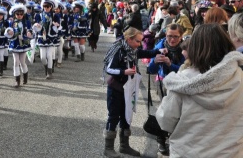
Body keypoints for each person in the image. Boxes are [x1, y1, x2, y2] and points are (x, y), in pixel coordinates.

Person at [156, 24, 243, 157]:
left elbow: (165, 120)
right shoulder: (239, 77)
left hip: (188, 151)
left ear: (194, 48)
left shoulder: (182, 81)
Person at [102, 27, 164, 157]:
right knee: (113, 117)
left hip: (128, 88)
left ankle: (124, 146)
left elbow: (145, 53)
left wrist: (159, 50)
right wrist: (123, 71)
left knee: (126, 115)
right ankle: (108, 149)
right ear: (129, 39)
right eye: (137, 41)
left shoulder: (133, 50)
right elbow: (109, 69)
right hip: (116, 88)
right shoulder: (119, 49)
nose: (139, 44)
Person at [147, 23, 185, 157]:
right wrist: (155, 61)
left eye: (176, 37)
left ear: (181, 37)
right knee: (163, 112)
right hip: (163, 82)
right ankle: (161, 140)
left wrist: (171, 64)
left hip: (180, 83)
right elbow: (150, 70)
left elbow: (185, 69)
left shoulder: (185, 48)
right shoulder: (160, 46)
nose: (172, 40)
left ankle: (174, 140)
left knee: (178, 114)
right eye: (169, 36)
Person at [5, 4, 34, 87]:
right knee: (15, 62)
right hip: (15, 44)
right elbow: (8, 31)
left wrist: (29, 33)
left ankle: (25, 78)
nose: (19, 15)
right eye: (17, 14)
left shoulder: (27, 22)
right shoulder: (12, 22)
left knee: (22, 62)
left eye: (21, 14)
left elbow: (30, 30)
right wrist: (9, 32)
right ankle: (17, 80)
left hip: (23, 44)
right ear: (14, 14)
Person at [34, 0, 60, 79]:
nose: (46, 8)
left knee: (49, 55)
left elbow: (58, 27)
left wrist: (56, 25)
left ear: (51, 7)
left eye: (48, 6)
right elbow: (35, 27)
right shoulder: (39, 15)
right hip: (42, 37)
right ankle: (46, 68)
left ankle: (49, 73)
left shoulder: (55, 16)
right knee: (42, 57)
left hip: (51, 38)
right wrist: (37, 25)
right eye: (44, 6)